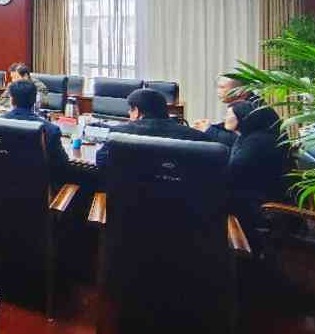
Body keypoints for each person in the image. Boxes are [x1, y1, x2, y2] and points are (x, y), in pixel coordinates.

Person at [96, 88, 214, 168]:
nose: (128, 113)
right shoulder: (196, 136)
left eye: (130, 110)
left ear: (136, 111)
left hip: (130, 195)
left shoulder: (118, 134)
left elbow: (101, 161)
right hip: (180, 197)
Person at [224, 101, 286, 235]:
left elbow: (233, 171)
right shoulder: (254, 136)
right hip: (257, 196)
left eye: (229, 115)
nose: (225, 118)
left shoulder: (257, 143)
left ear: (242, 117)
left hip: (263, 207)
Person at [3, 80, 68, 174]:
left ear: (11, 100)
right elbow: (62, 163)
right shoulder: (51, 130)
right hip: (39, 182)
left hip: (2, 180)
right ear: (34, 100)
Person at [193, 75, 254, 146]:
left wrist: (208, 130)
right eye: (218, 87)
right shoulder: (244, 103)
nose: (218, 91)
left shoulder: (249, 108)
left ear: (240, 91)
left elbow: (238, 140)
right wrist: (207, 126)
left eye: (222, 87)